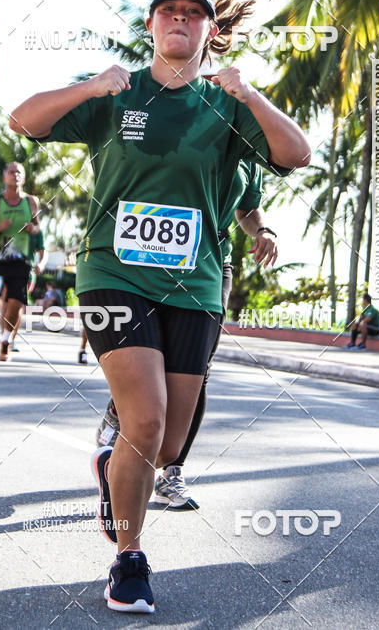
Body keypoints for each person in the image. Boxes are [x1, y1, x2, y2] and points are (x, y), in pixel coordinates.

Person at [10, 0, 310, 612]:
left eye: (193, 13)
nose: (180, 19)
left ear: (211, 31)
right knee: (145, 420)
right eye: (168, 10)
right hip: (113, 272)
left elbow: (296, 154)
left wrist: (249, 92)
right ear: (151, 26)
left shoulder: (230, 106)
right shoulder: (120, 94)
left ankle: (114, 462)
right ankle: (129, 558)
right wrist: (92, 86)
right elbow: (22, 119)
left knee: (167, 445)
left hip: (196, 284)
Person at [95, 161, 278, 510]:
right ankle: (120, 414)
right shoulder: (181, 112)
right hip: (144, 262)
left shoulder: (247, 147)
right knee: (148, 353)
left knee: (197, 370)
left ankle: (172, 471)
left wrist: (263, 230)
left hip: (208, 268)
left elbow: (248, 205)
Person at [0, 163, 39, 363]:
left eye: (18, 173)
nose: (14, 175)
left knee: (15, 305)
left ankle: (5, 341)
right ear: (4, 176)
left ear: (23, 178)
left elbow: (37, 227)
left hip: (20, 262)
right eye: (11, 172)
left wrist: (32, 229)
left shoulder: (31, 202)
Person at [1, 227, 47, 352]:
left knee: (18, 306)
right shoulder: (12, 223)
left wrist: (41, 265)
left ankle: (10, 339)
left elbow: (43, 253)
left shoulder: (37, 232)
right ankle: (4, 338)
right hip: (6, 269)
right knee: (5, 306)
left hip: (26, 273)